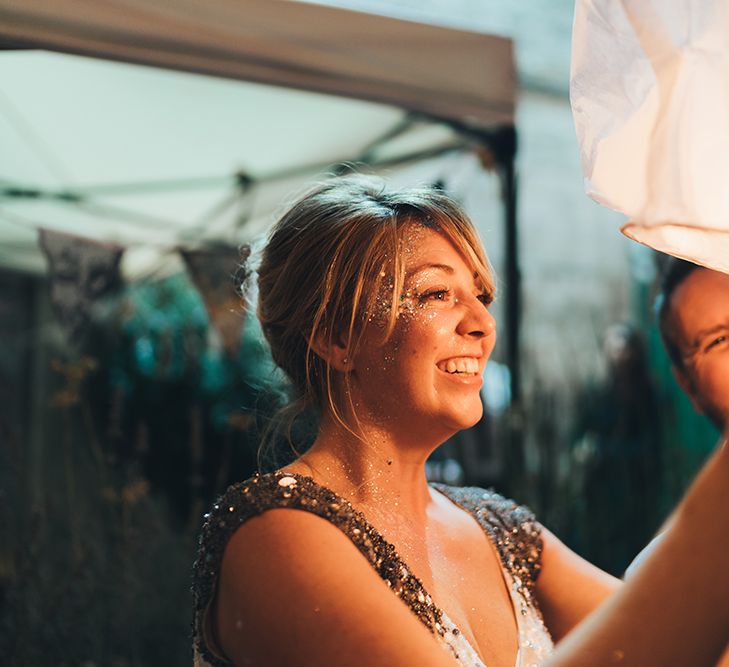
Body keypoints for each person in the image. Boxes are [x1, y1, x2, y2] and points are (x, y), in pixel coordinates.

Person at [192, 176, 729, 666]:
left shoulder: (503, 531)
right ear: (337, 338)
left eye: (481, 296)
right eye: (436, 294)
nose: (482, 323)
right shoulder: (274, 534)